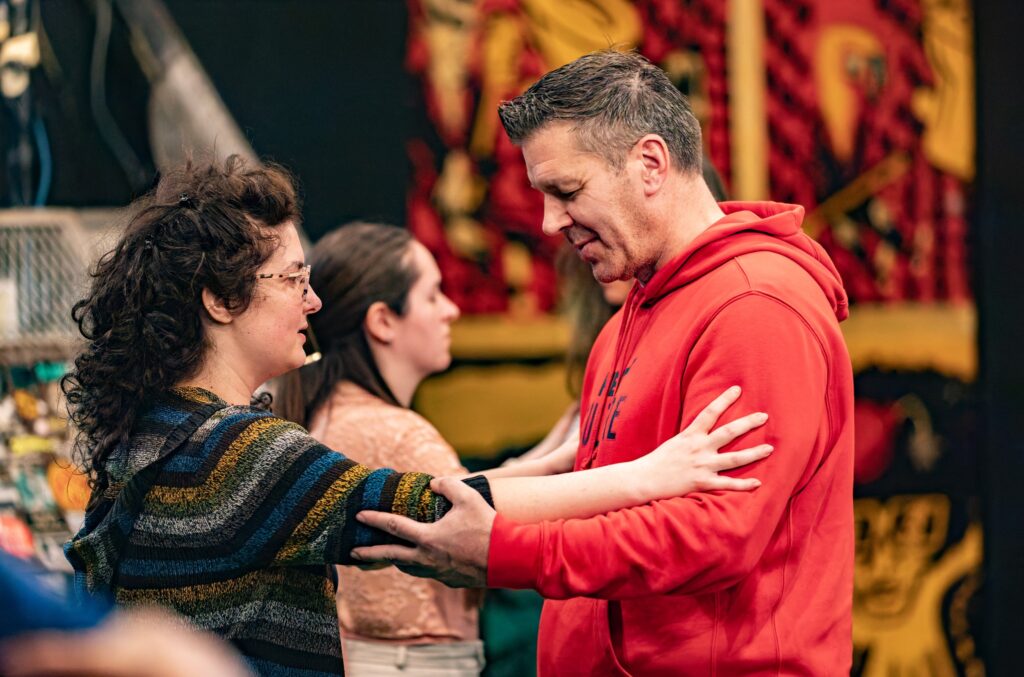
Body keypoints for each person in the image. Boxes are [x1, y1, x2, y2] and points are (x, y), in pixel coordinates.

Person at [61, 155, 772, 676]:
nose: (311, 301)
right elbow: (433, 505)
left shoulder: (164, 433)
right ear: (219, 301)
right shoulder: (237, 451)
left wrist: (564, 463)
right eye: (293, 279)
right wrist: (651, 474)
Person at [353, 49, 855, 676]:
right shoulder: (629, 318)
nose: (548, 222)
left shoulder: (756, 306)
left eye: (566, 191)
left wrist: (506, 551)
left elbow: (717, 535)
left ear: (650, 164)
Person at [275, 222, 576, 675]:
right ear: (383, 321)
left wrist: (554, 450)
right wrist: (581, 461)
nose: (452, 310)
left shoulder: (329, 413)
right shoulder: (398, 434)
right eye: (433, 296)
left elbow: (467, 485)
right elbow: (484, 516)